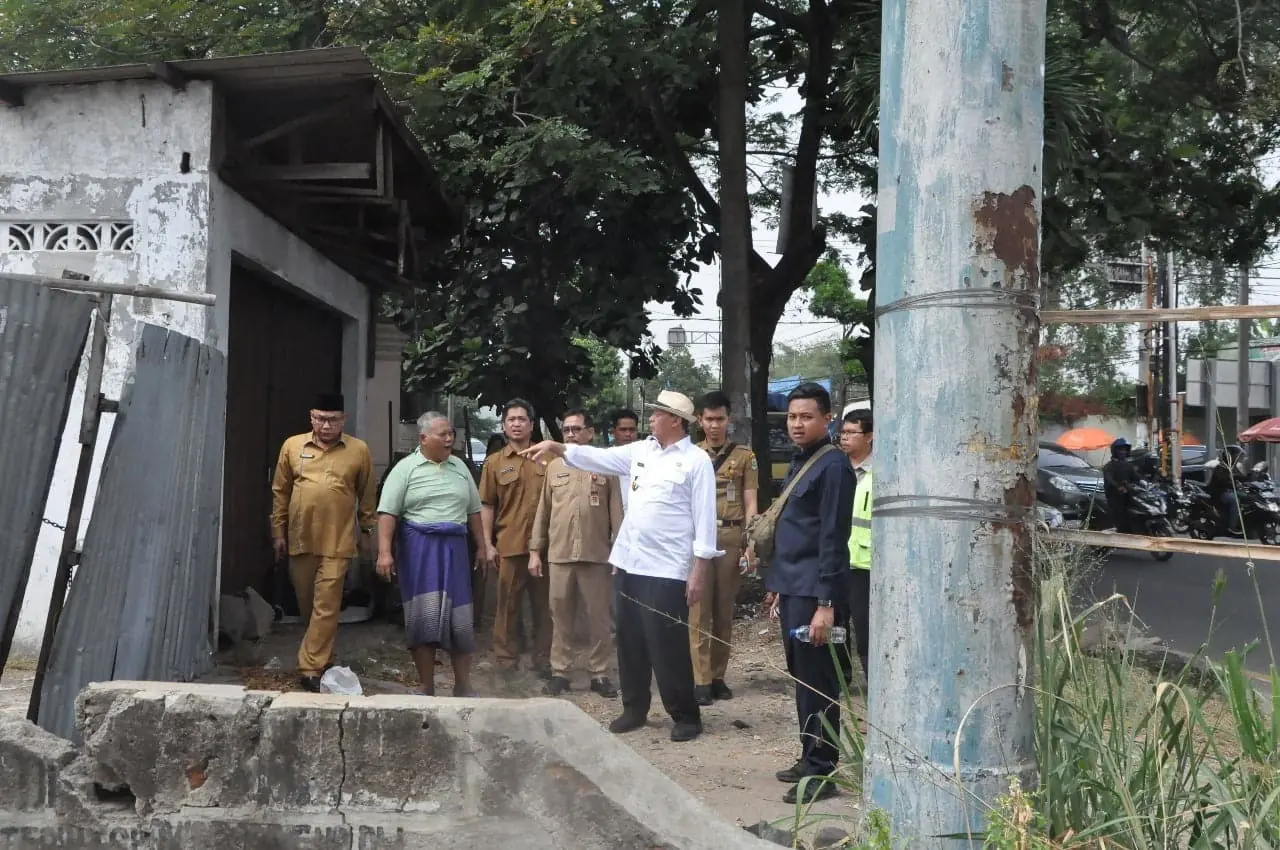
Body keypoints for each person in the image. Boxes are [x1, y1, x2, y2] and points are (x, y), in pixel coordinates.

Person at [522, 390, 720, 742]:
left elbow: (705, 519)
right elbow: (598, 457)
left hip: (668, 567)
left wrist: (700, 568)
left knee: (667, 644)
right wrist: (558, 447)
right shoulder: (641, 451)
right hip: (629, 562)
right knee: (630, 641)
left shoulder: (696, 461)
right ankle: (635, 708)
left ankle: (685, 714)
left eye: (658, 413)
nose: (652, 418)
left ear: (675, 420)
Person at [763, 382, 854, 804]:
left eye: (806, 417)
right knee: (804, 682)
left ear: (827, 418)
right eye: (792, 416)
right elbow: (797, 533)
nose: (797, 424)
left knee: (819, 684)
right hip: (795, 589)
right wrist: (782, 588)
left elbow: (832, 539)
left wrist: (826, 605)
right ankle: (808, 756)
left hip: (818, 596)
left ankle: (821, 772)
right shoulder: (806, 461)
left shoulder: (833, 466)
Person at [375, 412, 490, 696]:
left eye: (451, 433)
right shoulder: (405, 469)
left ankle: (463, 685)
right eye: (443, 434)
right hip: (419, 548)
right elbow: (388, 512)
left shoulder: (460, 468)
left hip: (455, 548)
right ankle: (427, 685)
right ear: (423, 439)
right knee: (422, 616)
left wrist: (483, 546)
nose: (450, 438)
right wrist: (384, 553)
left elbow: (474, 511)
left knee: (460, 617)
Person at [271, 393, 377, 692]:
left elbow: (367, 497)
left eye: (332, 419)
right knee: (308, 605)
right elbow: (280, 492)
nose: (326, 425)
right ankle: (324, 655)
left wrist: (369, 532)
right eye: (320, 418)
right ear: (311, 417)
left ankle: (310, 668)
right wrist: (277, 533)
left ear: (343, 419)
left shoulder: (359, 450)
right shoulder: (293, 446)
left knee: (327, 605)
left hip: (338, 540)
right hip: (300, 537)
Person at [528, 409, 623, 698]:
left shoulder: (606, 467)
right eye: (567, 430)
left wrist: (619, 552)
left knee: (599, 617)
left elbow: (616, 514)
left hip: (596, 555)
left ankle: (600, 673)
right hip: (560, 554)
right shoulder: (555, 467)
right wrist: (535, 551)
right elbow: (543, 512)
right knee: (560, 616)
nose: (570, 434)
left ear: (590, 432)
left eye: (576, 429)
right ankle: (561, 672)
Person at [690, 390, 758, 705]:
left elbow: (750, 503)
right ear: (700, 421)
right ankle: (700, 678)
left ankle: (718, 675)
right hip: (699, 540)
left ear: (728, 420)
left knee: (723, 611)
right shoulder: (690, 455)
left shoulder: (744, 456)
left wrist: (751, 544)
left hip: (730, 538)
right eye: (709, 419)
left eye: (720, 419)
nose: (714, 425)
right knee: (697, 611)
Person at [480, 399, 551, 676]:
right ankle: (506, 661)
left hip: (545, 548)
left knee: (545, 609)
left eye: (522, 419)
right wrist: (487, 544)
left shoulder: (550, 460)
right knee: (507, 605)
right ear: (504, 426)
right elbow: (486, 505)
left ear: (532, 425)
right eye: (512, 420)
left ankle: (543, 660)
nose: (517, 424)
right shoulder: (495, 463)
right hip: (509, 545)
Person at [840, 410, 873, 681]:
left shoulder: (882, 475)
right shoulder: (836, 468)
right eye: (843, 432)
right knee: (837, 626)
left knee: (866, 628)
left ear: (870, 437)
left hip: (866, 564)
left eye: (852, 433)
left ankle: (874, 683)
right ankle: (842, 679)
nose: (845, 438)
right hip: (838, 559)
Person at [1102, 438, 1140, 533]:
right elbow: (1109, 479)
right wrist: (1119, 487)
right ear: (1115, 451)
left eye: (1124, 450)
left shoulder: (1128, 465)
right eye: (1120, 450)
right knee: (1119, 518)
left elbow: (1137, 478)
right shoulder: (1109, 466)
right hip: (1115, 497)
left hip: (1129, 497)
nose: (1123, 452)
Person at [1208, 444, 1246, 534]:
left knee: (1247, 497)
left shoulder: (1231, 467)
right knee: (1235, 500)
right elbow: (1222, 481)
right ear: (1229, 456)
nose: (1237, 458)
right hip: (1220, 493)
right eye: (1235, 455)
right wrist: (1233, 484)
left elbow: (1239, 476)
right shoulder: (1221, 467)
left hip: (1228, 491)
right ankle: (1232, 526)